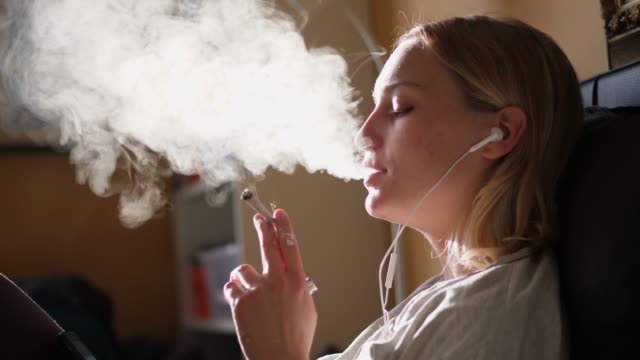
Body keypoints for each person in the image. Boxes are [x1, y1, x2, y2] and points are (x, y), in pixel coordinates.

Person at [223, 15, 583, 359]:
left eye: (400, 107)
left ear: (500, 133)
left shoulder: (489, 315)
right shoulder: (450, 296)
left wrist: (278, 351)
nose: (363, 135)